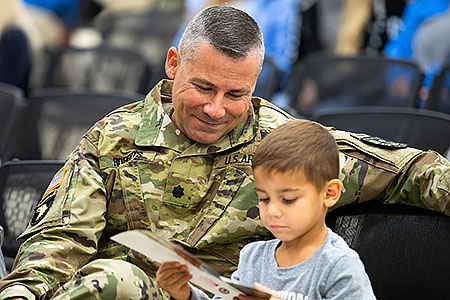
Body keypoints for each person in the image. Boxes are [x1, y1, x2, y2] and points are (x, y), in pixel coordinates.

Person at [0, 4, 448, 300]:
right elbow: (57, 243)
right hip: (137, 291)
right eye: (203, 87)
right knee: (110, 281)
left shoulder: (282, 144)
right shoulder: (114, 138)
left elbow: (409, 170)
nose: (216, 110)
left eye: (236, 94)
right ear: (174, 64)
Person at [156, 119, 376, 300]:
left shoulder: (339, 265)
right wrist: (184, 294)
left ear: (329, 193)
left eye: (288, 199)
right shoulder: (253, 257)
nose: (273, 211)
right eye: (263, 198)